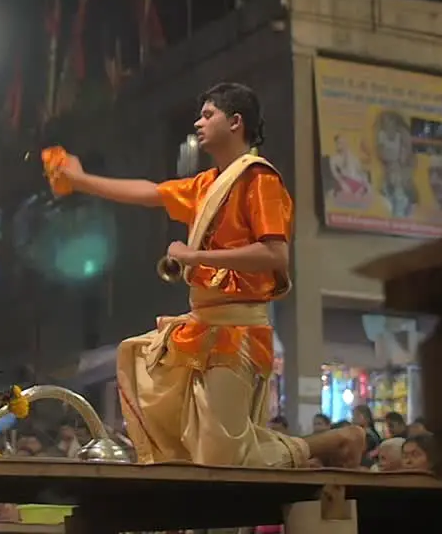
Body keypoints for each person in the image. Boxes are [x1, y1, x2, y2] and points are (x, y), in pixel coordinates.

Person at [43, 82, 364, 468]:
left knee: (224, 460)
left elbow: (275, 254)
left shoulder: (259, 179)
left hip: (237, 332)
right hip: (203, 327)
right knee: (196, 446)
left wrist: (194, 255)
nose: (198, 122)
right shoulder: (207, 184)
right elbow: (151, 193)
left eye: (208, 114)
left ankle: (335, 441)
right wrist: (79, 181)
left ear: (235, 122)